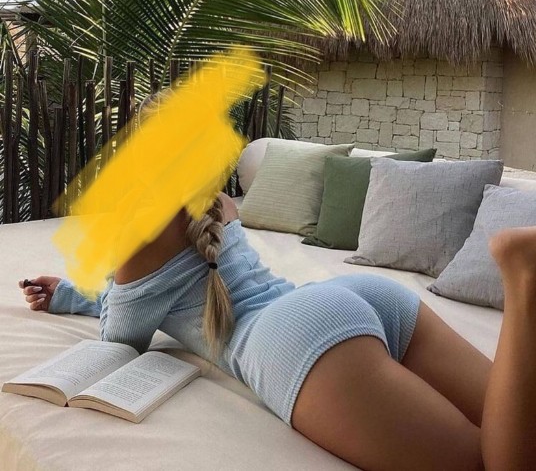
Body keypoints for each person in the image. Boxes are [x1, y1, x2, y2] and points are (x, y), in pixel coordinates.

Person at [18, 190, 536, 470]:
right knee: (520, 427)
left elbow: (121, 337)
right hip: (355, 296)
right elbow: (184, 283)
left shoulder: (141, 233)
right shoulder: (221, 203)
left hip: (294, 338)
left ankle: (523, 279)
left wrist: (114, 268)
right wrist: (71, 294)